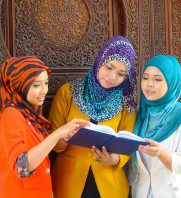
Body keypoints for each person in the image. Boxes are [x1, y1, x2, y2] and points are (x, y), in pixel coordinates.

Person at [48, 35, 138, 198]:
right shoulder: (68, 92)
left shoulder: (127, 105)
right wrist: (64, 137)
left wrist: (114, 160)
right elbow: (53, 142)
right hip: (68, 180)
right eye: (109, 67)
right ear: (100, 61)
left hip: (109, 185)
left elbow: (127, 145)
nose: (112, 77)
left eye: (121, 74)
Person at [0, 56, 90, 198]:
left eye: (46, 83)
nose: (44, 90)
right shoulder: (11, 115)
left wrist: (65, 137)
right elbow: (22, 167)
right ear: (19, 85)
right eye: (36, 85)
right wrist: (57, 134)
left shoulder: (30, 115)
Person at [128, 55, 181, 198]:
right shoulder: (138, 112)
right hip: (141, 192)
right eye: (146, 78)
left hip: (171, 192)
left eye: (158, 79)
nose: (149, 84)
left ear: (172, 82)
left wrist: (161, 152)